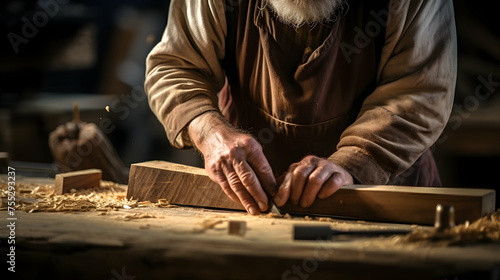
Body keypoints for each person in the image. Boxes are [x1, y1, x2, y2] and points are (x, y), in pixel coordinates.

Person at [145, 0, 457, 215]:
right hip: (246, 208)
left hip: (382, 207)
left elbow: (420, 91)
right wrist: (210, 133)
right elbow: (175, 66)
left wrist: (353, 163)